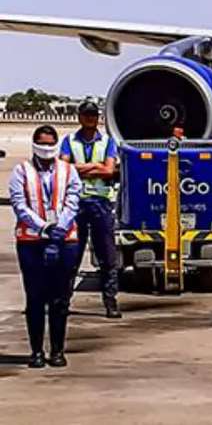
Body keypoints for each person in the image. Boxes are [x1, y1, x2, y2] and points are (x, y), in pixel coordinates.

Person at [9, 125, 82, 368]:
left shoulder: (68, 171)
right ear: (34, 144)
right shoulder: (21, 171)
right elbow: (19, 205)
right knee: (35, 298)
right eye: (42, 143)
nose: (47, 148)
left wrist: (59, 229)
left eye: (51, 144)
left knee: (60, 299)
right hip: (31, 242)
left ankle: (57, 350)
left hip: (65, 240)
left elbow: (73, 201)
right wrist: (44, 228)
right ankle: (36, 351)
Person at [60, 100, 122, 318]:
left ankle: (110, 302)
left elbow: (109, 171)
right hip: (76, 203)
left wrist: (80, 170)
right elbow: (63, 169)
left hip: (100, 203)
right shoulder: (69, 141)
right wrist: (95, 166)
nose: (90, 118)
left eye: (93, 115)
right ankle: (63, 302)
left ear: (98, 118)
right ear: (79, 117)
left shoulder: (107, 142)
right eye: (86, 115)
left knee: (107, 257)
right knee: (71, 256)